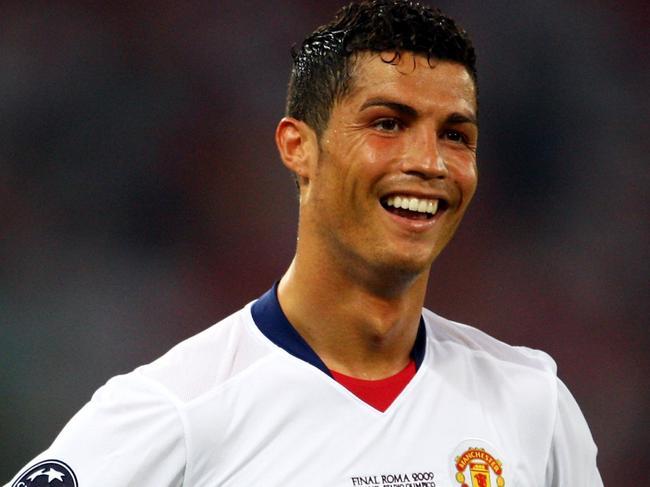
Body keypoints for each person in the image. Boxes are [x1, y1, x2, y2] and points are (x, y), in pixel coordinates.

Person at [5, 1, 603, 486]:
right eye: (387, 124)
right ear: (298, 146)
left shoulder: (533, 405)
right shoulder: (176, 411)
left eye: (456, 134)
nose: (429, 162)